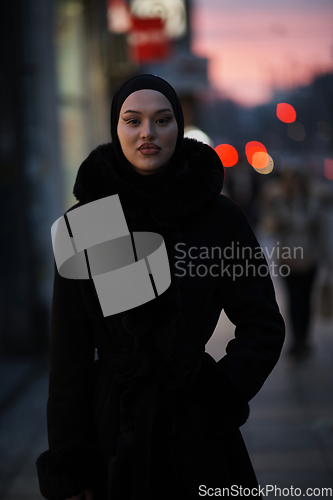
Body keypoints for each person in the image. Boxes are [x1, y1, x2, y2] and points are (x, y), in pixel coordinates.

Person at [36, 75, 285, 500]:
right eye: (132, 121)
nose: (147, 133)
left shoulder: (218, 217)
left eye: (162, 120)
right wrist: (70, 465)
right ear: (116, 129)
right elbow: (68, 358)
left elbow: (262, 324)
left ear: (179, 126)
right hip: (111, 431)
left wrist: (217, 396)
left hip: (199, 435)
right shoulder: (88, 223)